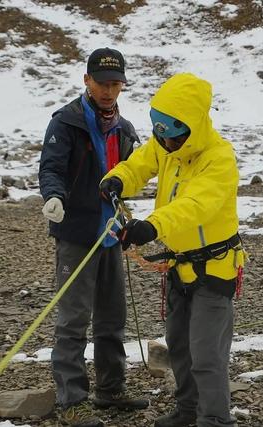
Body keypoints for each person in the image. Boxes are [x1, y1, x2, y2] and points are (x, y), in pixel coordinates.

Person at [101, 73, 244, 427]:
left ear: (191, 126)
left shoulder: (219, 158)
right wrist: (118, 178)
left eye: (171, 133)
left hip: (215, 268)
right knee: (178, 345)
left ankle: (215, 419)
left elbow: (197, 204)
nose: (163, 142)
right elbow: (140, 164)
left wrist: (152, 226)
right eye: (158, 132)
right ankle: (187, 410)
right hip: (180, 268)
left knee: (207, 354)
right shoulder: (165, 146)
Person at [38, 47, 149, 427]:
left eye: (116, 84)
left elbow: (133, 174)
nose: (108, 90)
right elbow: (51, 167)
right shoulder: (66, 123)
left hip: (111, 234)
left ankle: (110, 390)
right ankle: (72, 400)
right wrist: (53, 197)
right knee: (73, 319)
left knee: (112, 317)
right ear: (87, 80)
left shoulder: (125, 129)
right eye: (102, 83)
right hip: (76, 233)